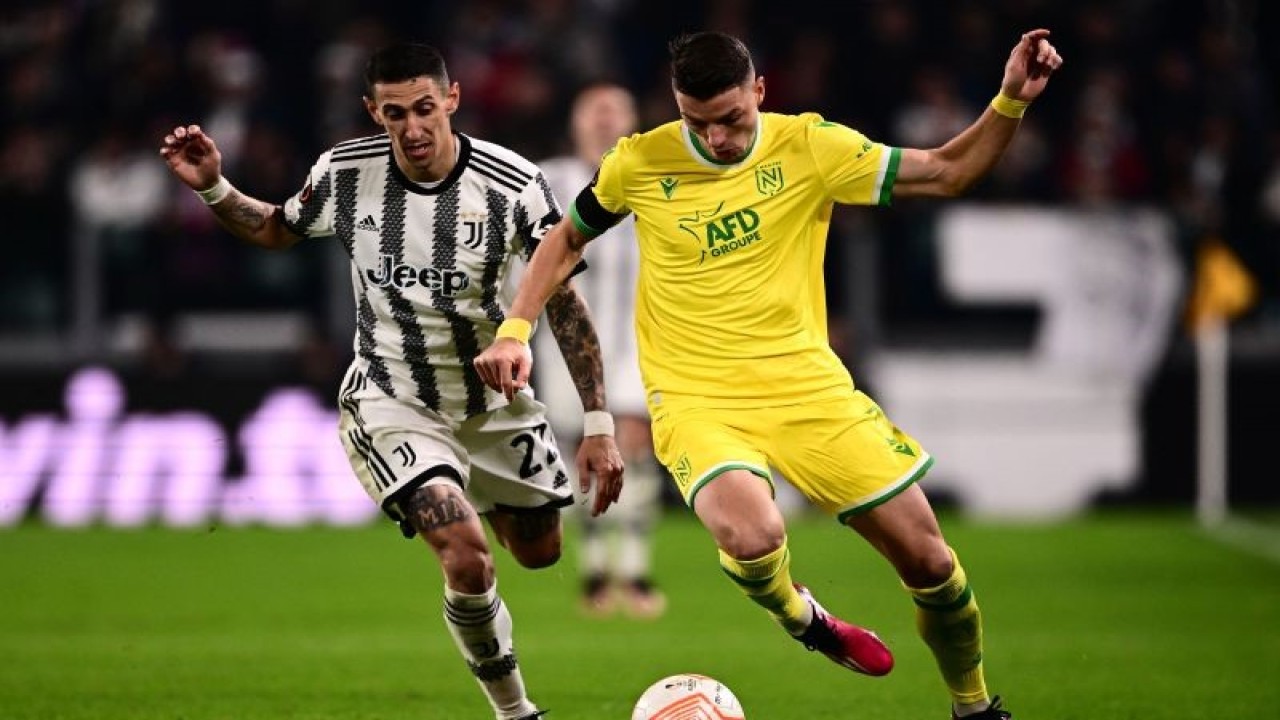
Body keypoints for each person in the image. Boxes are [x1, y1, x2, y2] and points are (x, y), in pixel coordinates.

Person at [475, 29, 1063, 720]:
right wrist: (515, 327)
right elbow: (565, 236)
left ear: (760, 91)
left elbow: (947, 171)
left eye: (732, 120)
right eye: (698, 123)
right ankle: (802, 618)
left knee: (932, 564)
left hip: (808, 390)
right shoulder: (641, 161)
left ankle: (973, 707)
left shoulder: (811, 146)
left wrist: (1010, 102)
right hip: (696, 398)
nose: (718, 139)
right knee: (753, 537)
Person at [160, 42, 625, 720]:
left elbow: (563, 300)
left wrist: (599, 424)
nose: (412, 128)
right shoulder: (345, 173)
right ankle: (516, 711)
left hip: (493, 406)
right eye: (395, 112)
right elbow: (277, 229)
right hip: (392, 400)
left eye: (425, 109)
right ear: (373, 111)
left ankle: (480, 496)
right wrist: (212, 186)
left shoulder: (512, 181)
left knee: (541, 553)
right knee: (466, 558)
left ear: (453, 100)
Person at [532, 81, 667, 619]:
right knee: (578, 453)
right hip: (565, 345)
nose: (606, 118)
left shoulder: (656, 179)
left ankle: (634, 570)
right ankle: (593, 571)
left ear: (633, 121)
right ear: (576, 121)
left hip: (638, 341)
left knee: (632, 446)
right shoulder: (547, 179)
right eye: (595, 109)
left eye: (617, 109)